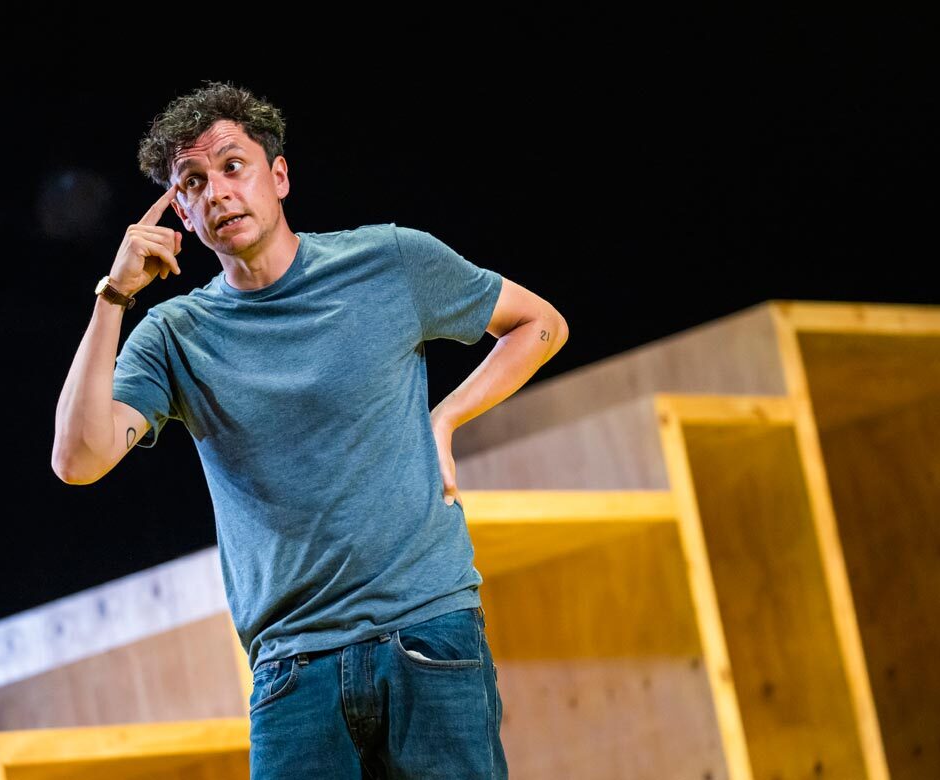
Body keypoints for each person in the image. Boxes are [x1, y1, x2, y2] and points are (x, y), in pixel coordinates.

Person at [51, 80, 568, 779]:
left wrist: (444, 418)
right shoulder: (176, 334)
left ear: (279, 175)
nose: (217, 192)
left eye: (232, 167)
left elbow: (539, 325)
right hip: (293, 670)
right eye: (192, 184)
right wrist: (114, 296)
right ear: (180, 212)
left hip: (426, 633)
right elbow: (78, 461)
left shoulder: (388, 260)